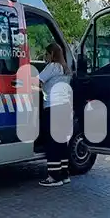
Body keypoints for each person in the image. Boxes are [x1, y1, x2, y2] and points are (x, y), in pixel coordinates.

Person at [38, 42, 73, 187]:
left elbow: (38, 80)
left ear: (52, 54)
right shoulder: (66, 69)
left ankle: (53, 177)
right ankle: (64, 174)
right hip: (65, 107)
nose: (45, 57)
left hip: (53, 107)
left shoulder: (52, 67)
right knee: (61, 142)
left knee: (52, 142)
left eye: (46, 54)